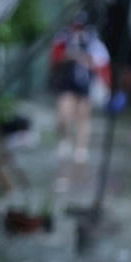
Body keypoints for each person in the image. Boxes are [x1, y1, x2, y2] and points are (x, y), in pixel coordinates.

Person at [49, 14, 110, 191]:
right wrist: (71, 56)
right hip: (66, 83)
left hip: (85, 85)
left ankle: (81, 149)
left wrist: (88, 61)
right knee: (63, 114)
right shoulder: (63, 38)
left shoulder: (94, 42)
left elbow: (102, 64)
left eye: (80, 27)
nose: (78, 30)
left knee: (83, 116)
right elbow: (55, 58)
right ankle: (65, 142)